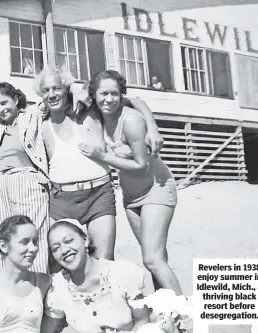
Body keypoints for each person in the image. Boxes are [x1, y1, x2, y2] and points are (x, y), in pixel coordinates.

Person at [34, 67, 163, 262]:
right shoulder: (40, 123)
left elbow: (136, 101)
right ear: (40, 95)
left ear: (66, 88)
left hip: (98, 196)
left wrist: (152, 127)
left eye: (57, 88)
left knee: (104, 260)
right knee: (57, 263)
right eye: (46, 90)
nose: (52, 95)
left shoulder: (91, 109)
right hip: (61, 201)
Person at [79, 70, 182, 296]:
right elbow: (137, 99)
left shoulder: (131, 119)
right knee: (157, 257)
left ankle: (184, 316)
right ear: (94, 95)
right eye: (103, 93)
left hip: (156, 188)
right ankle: (166, 311)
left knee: (152, 258)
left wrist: (102, 156)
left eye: (115, 94)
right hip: (131, 196)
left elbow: (141, 165)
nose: (109, 99)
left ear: (121, 94)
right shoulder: (97, 112)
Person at [41, 218, 150, 333]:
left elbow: (142, 319)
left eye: (69, 241)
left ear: (86, 240)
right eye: (55, 248)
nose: (64, 250)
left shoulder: (121, 273)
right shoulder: (59, 288)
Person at [0, 82, 50, 273]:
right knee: (4, 240)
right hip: (1, 186)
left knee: (31, 236)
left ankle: (38, 291)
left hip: (28, 181)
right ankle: (8, 293)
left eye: (4, 103)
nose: (1, 109)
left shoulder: (30, 116)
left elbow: (52, 96)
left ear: (15, 100)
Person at [0, 215, 51, 333]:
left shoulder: (43, 283)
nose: (33, 248)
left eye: (35, 242)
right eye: (24, 242)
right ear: (4, 246)